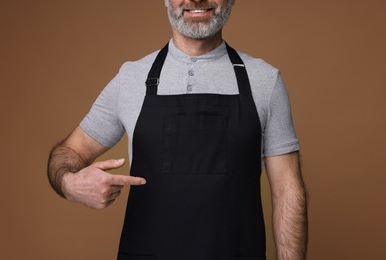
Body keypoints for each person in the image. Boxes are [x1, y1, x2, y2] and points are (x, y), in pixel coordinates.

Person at [47, 0, 308, 259]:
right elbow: (69, 151)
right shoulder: (132, 78)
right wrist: (71, 184)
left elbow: (287, 189)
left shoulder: (265, 80)